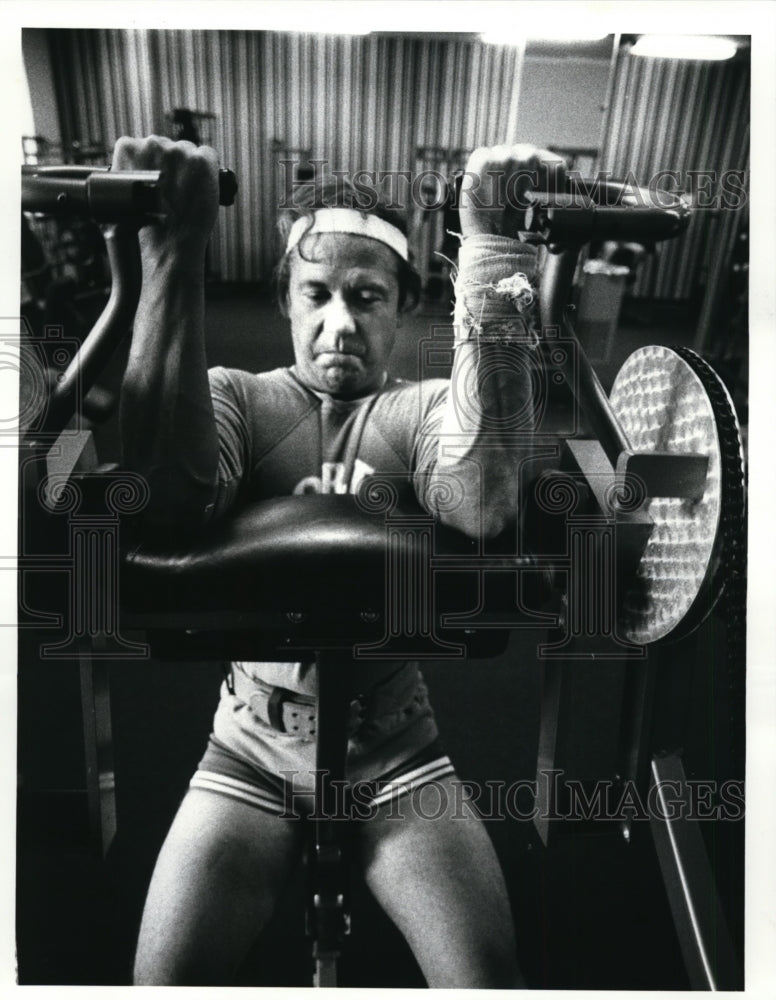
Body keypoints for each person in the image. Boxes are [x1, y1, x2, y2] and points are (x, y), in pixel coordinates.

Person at [114, 134, 563, 987]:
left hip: (398, 755)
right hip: (247, 755)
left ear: (404, 306)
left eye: (367, 296)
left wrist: (497, 249)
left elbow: (481, 499)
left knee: (487, 982)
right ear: (285, 298)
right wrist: (172, 248)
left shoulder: (426, 408)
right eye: (316, 294)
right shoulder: (235, 399)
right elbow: (165, 501)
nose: (341, 323)